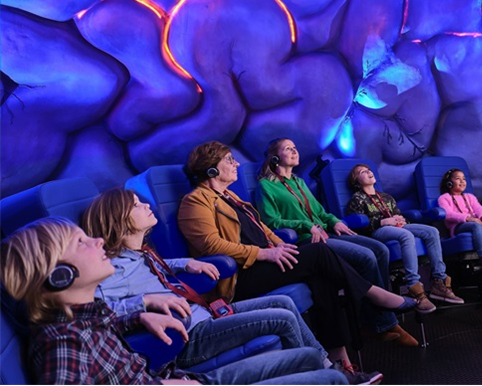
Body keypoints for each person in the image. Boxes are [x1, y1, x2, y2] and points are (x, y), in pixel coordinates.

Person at [0, 217, 349, 385]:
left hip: (177, 376)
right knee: (330, 381)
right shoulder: (62, 342)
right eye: (81, 243)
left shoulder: (88, 314)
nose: (97, 241)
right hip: (176, 364)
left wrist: (138, 317)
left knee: (307, 358)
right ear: (59, 275)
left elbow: (107, 325)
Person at [177, 141, 420, 366]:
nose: (237, 164)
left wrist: (277, 245)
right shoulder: (195, 201)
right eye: (230, 160)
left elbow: (263, 228)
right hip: (239, 276)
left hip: (263, 261)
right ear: (211, 168)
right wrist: (263, 254)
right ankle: (373, 293)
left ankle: (339, 358)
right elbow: (211, 245)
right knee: (318, 253)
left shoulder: (230, 197)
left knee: (322, 277)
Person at [82, 188, 361, 380]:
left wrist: (185, 263)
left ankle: (326, 366)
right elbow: (92, 311)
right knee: (282, 317)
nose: (146, 205)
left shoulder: (140, 254)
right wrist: (142, 302)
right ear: (119, 219)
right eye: (135, 205)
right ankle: (328, 376)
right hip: (190, 336)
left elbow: (159, 263)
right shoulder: (112, 268)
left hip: (205, 314)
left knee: (283, 302)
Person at [255, 138, 421, 344]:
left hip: (325, 232)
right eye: (288, 148)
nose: (294, 151)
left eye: (295, 147)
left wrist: (335, 222)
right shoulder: (266, 186)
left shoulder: (299, 182)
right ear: (274, 157)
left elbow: (320, 212)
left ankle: (373, 319)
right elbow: (271, 222)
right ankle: (384, 323)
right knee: (366, 257)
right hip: (306, 241)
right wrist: (306, 225)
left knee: (380, 249)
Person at [346, 163, 464, 312]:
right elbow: (359, 223)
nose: (369, 172)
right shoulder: (357, 199)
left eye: (369, 170)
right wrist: (383, 222)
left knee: (432, 232)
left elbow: (398, 214)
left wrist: (401, 220)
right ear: (356, 181)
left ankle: (439, 282)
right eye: (363, 172)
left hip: (397, 227)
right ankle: (414, 287)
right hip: (378, 230)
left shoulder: (386, 197)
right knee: (406, 235)